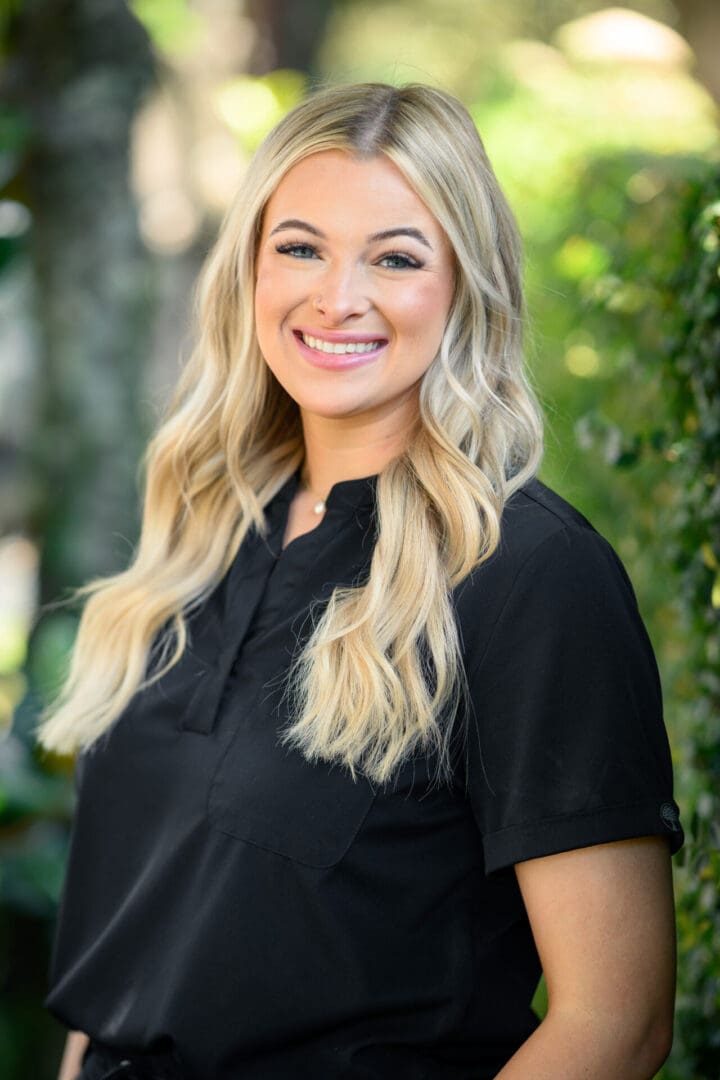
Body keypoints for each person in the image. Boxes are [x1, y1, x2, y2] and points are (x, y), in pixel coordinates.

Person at [40, 82, 683, 1080]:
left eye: (396, 257)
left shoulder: (531, 576)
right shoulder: (203, 534)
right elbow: (134, 952)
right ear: (248, 268)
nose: (338, 297)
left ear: (467, 286)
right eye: (301, 247)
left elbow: (615, 1022)